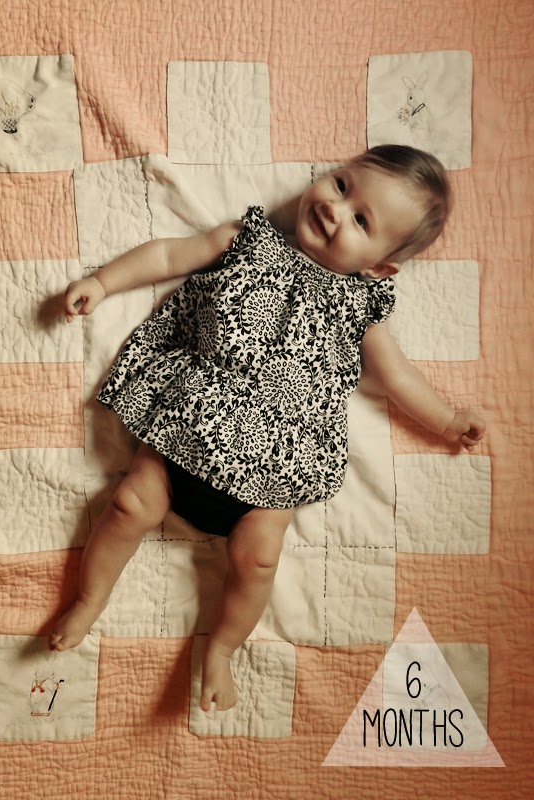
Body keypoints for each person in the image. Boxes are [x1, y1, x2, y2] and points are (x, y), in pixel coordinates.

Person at [50, 145, 486, 712]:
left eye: (361, 220)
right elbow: (167, 255)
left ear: (379, 267)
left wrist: (448, 421)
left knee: (258, 559)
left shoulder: (360, 308)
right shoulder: (246, 240)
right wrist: (103, 282)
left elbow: (397, 377)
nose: (335, 208)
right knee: (130, 504)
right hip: (191, 425)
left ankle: (222, 650)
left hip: (278, 466)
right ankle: (88, 600)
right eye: (342, 185)